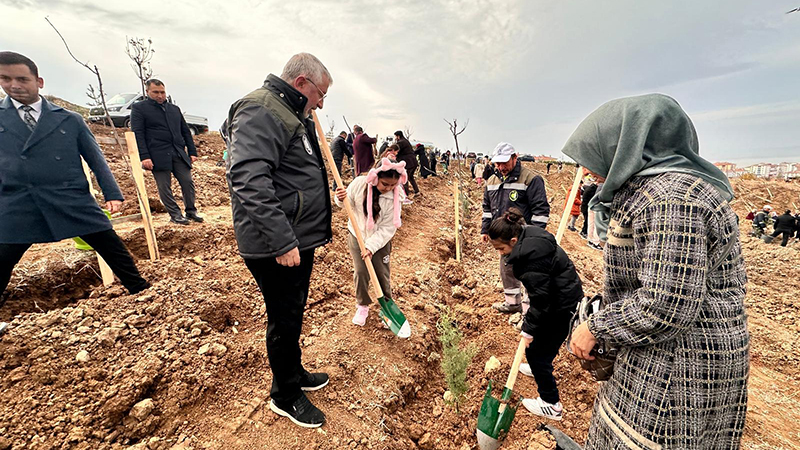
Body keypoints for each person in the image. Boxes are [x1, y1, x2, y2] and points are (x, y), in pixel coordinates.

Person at [565, 94, 748, 449]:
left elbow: (666, 304)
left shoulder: (672, 199)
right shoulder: (654, 192)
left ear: (630, 146)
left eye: (594, 156)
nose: (587, 171)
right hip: (662, 353)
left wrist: (596, 327)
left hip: (679, 367)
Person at [0, 52, 150, 335]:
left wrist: (112, 193)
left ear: (39, 81)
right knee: (3, 259)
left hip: (69, 196)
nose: (14, 85)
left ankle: (140, 290)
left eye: (22, 79)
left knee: (110, 245)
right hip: (18, 201)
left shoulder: (69, 120)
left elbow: (96, 159)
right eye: (5, 79)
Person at [224, 52, 333, 428]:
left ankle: (295, 372)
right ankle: (285, 395)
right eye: (320, 93)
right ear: (301, 83)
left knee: (293, 310)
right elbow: (250, 181)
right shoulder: (262, 109)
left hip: (294, 235)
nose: (321, 102)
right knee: (283, 316)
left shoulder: (287, 112)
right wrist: (283, 241)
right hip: (277, 242)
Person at [487, 208, 583, 421]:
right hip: (562, 298)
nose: (500, 253)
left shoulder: (531, 258)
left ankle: (551, 404)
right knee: (540, 346)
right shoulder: (527, 235)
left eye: (501, 248)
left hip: (560, 306)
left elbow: (541, 299)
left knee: (536, 352)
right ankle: (538, 366)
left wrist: (528, 329)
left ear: (513, 240)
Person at [334, 158, 406, 326]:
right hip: (357, 234)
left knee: (381, 273)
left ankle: (387, 305)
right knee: (361, 272)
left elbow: (388, 228)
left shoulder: (395, 198)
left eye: (392, 185)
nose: (388, 189)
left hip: (380, 240)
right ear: (375, 177)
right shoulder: (359, 184)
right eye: (385, 184)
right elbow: (346, 204)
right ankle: (362, 305)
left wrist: (371, 247)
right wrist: (340, 197)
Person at [482, 142, 550, 313]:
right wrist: (485, 229)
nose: (501, 167)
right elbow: (487, 209)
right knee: (507, 270)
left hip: (523, 237)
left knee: (528, 273)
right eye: (497, 163)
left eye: (504, 162)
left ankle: (529, 312)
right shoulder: (491, 181)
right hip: (503, 238)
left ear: (515, 158)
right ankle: (513, 304)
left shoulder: (531, 179)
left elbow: (541, 211)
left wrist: (533, 236)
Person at [131, 79, 202, 225]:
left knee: (187, 181)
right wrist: (144, 157)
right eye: (156, 92)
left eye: (162, 92)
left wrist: (192, 152)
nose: (160, 95)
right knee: (164, 186)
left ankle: (191, 211)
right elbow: (138, 134)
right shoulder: (139, 109)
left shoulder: (174, 109)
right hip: (157, 155)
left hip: (177, 152)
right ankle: (175, 214)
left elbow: (185, 132)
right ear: (147, 92)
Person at [394, 131, 420, 197]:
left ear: (398, 136)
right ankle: (417, 192)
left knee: (404, 177)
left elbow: (395, 150)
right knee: (410, 177)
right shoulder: (405, 141)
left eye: (395, 136)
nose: (395, 138)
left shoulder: (400, 142)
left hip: (408, 163)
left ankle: (405, 194)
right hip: (413, 162)